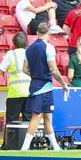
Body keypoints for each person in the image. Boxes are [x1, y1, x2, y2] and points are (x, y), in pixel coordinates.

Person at [21, 20, 70, 151]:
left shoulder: (29, 49)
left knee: (48, 117)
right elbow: (53, 70)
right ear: (48, 33)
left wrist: (36, 75)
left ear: (37, 33)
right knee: (37, 117)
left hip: (35, 84)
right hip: (44, 87)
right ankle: (24, 148)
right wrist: (64, 83)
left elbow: (25, 69)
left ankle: (55, 147)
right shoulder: (48, 47)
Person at [0, 33, 31, 149]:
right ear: (27, 43)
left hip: (15, 93)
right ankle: (28, 145)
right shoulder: (31, 53)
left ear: (14, 44)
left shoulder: (10, 55)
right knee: (29, 120)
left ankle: (7, 145)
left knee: (11, 121)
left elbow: (0, 70)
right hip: (29, 92)